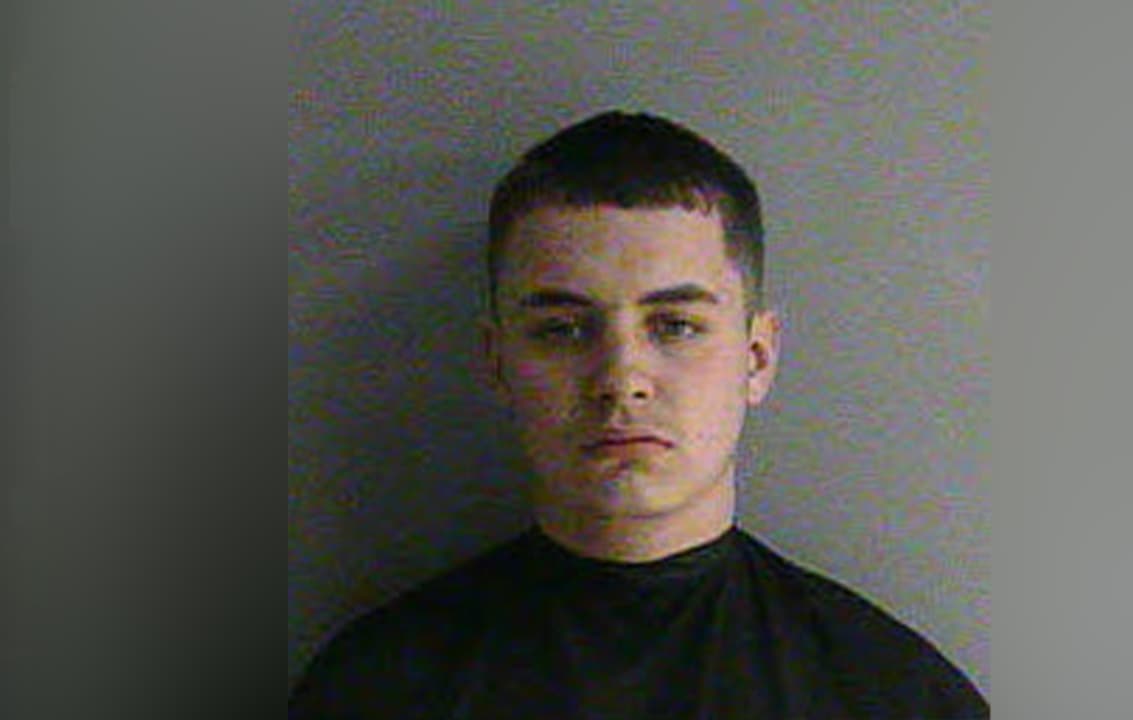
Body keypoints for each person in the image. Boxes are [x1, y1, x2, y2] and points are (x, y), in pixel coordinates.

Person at [289, 111, 989, 719]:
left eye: (676, 325)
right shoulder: (374, 691)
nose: (621, 380)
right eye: (563, 329)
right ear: (497, 362)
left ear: (756, 357)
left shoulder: (896, 698)